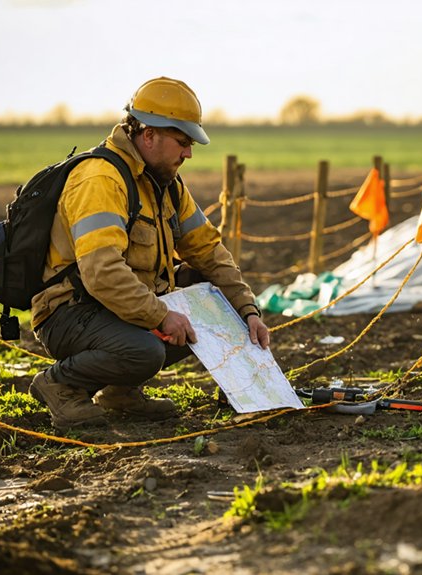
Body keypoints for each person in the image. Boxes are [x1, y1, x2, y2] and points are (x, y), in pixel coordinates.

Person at [28, 77, 269, 430]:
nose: (188, 153)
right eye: (182, 142)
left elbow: (208, 251)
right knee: (146, 350)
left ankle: (120, 392)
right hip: (70, 312)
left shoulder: (165, 184)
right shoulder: (100, 180)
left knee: (213, 297)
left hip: (115, 308)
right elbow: (101, 273)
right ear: (148, 134)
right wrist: (160, 316)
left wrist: (247, 311)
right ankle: (61, 384)